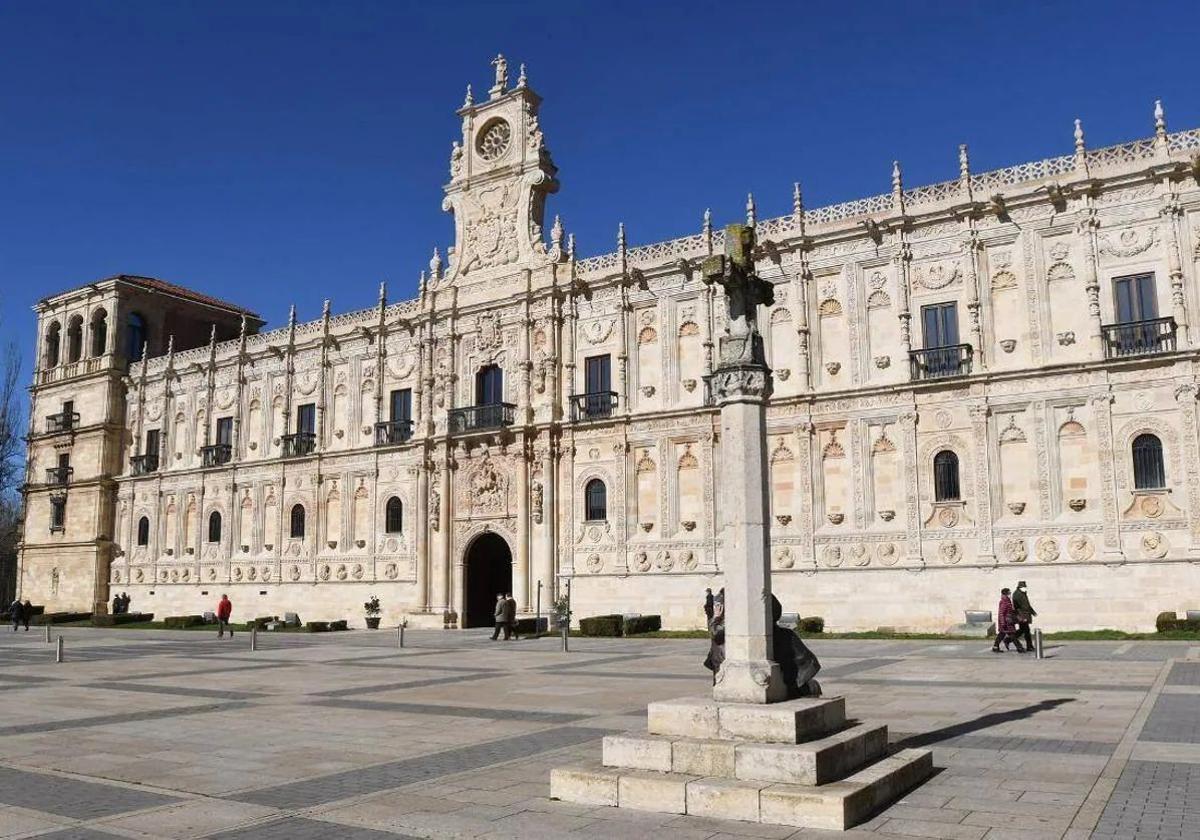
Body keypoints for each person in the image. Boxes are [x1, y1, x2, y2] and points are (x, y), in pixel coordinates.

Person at [703, 588, 725, 684]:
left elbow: (714, 634)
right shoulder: (721, 620)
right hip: (717, 659)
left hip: (721, 659)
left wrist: (716, 618)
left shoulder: (724, 621)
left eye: (718, 605)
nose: (716, 608)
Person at [993, 587, 1025, 653]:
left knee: (1002, 634)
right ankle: (1019, 648)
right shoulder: (1004, 602)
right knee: (1012, 635)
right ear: (1006, 594)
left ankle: (995, 647)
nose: (1010, 594)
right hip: (1006, 622)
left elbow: (1011, 611)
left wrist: (1019, 618)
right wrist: (1002, 623)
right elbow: (1001, 613)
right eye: (1009, 593)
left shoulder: (1007, 601)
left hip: (1008, 622)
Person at [1012, 580, 1036, 653]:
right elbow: (1016, 607)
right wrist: (1021, 616)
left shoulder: (1023, 593)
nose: (1025, 588)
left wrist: (1032, 611)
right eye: (1023, 586)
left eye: (1025, 586)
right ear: (1019, 587)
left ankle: (1029, 646)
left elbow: (1027, 604)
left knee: (1024, 630)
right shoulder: (1017, 594)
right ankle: (1029, 646)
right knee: (1026, 631)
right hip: (1022, 615)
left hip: (1026, 614)